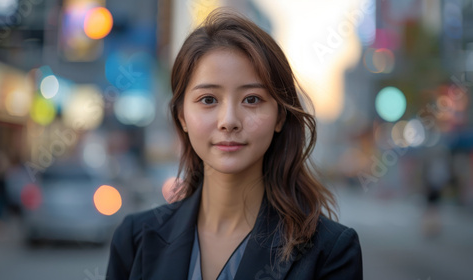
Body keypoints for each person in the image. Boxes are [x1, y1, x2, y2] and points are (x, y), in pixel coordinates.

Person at [106, 8, 363, 280]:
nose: (228, 121)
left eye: (252, 99)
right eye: (208, 99)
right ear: (182, 116)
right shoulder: (135, 240)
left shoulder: (329, 252)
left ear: (279, 116)